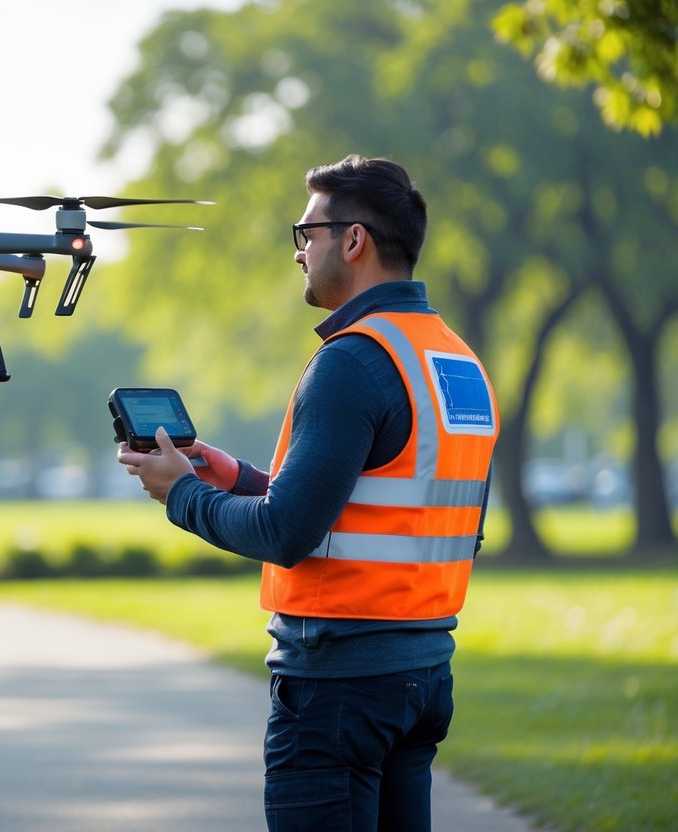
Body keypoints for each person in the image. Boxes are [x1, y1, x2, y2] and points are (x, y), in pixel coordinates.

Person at [117, 155, 499, 832]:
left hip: (339, 688)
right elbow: (381, 507)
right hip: (420, 679)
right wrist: (233, 478)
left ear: (353, 241)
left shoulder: (352, 360)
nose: (299, 254)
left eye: (307, 233)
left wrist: (180, 496)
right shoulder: (454, 361)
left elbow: (285, 533)